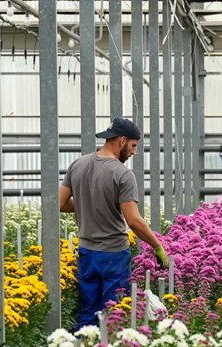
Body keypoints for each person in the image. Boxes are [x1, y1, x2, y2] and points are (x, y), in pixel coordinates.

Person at [60, 117, 169, 331]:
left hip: (86, 253)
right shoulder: (122, 174)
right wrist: (157, 245)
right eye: (133, 146)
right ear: (121, 140)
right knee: (114, 314)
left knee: (87, 314)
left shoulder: (78, 165)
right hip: (113, 255)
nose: (134, 152)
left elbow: (61, 203)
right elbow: (133, 220)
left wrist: (87, 204)